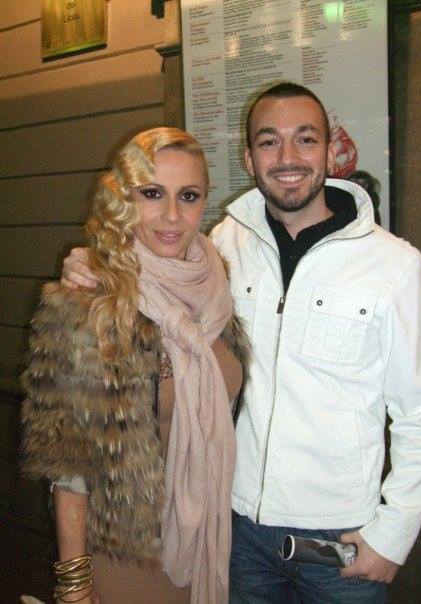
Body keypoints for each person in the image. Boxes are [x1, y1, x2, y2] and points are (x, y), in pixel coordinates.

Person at [61, 83, 421, 603]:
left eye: (305, 139)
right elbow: (148, 267)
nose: (287, 157)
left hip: (342, 540)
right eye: (269, 142)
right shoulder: (223, 246)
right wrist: (92, 265)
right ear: (249, 158)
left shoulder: (394, 265)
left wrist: (393, 535)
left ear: (330, 151)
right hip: (235, 528)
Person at [22, 127, 249, 604]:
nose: (172, 215)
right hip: (129, 552)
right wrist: (74, 583)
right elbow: (68, 465)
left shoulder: (214, 284)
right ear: (124, 198)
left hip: (209, 536)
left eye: (188, 196)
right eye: (152, 194)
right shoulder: (89, 301)